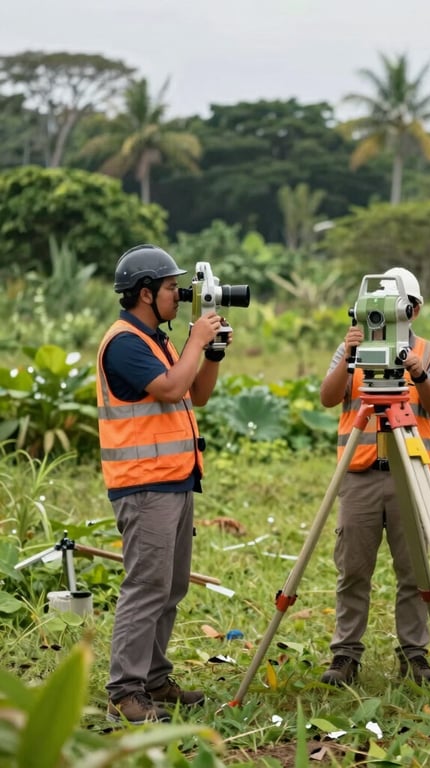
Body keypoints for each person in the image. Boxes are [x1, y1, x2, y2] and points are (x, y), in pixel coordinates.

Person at [97, 244, 231, 724]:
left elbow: (198, 393)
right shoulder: (125, 342)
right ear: (145, 293)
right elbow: (172, 388)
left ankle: (154, 677)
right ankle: (126, 690)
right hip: (144, 486)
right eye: (173, 287)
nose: (182, 294)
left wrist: (210, 351)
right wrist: (196, 339)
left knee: (170, 587)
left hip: (174, 481)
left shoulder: (157, 339)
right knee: (146, 586)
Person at [318, 267, 430, 685]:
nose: (394, 316)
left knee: (414, 571)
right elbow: (327, 397)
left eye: (403, 308)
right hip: (359, 475)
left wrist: (417, 371)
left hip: (410, 474)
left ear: (414, 309)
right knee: (353, 569)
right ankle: (345, 655)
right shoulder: (351, 348)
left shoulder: (429, 353)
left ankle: (414, 654)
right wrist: (349, 352)